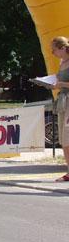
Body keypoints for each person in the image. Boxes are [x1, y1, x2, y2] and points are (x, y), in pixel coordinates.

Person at [51, 36, 69, 182]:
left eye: (54, 50)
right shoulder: (62, 62)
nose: (52, 53)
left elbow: (63, 83)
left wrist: (61, 84)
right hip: (63, 101)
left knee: (67, 137)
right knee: (63, 138)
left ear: (63, 48)